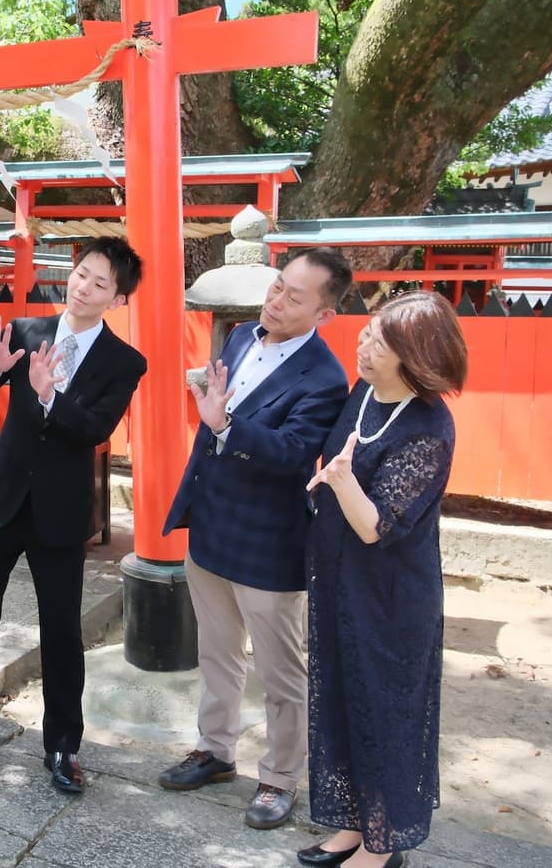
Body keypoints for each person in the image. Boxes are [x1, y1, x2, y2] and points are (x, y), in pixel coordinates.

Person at [157, 247, 353, 831]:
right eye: (277, 286)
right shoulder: (242, 335)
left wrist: (226, 423)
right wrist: (214, 413)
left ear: (324, 314)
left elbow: (294, 453)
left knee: (280, 671)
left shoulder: (325, 377)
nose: (277, 301)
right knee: (216, 653)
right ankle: (215, 750)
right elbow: (218, 413)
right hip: (213, 523)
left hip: (268, 539)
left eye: (295, 297)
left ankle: (280, 776)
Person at [0, 237, 147, 795]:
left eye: (100, 283)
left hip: (60, 511)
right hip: (1, 499)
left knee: (61, 630)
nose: (84, 287)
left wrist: (50, 398)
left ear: (117, 299)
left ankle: (62, 744)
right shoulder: (23, 331)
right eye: (82, 273)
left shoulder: (124, 362)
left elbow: (96, 429)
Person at [298, 291, 467, 868]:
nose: (363, 345)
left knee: (386, 715)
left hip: (390, 597)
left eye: (379, 342)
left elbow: (376, 527)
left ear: (415, 356)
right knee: (341, 700)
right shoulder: (365, 391)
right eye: (368, 333)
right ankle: (355, 825)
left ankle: (383, 846)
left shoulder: (429, 429)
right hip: (338, 580)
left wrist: (342, 480)